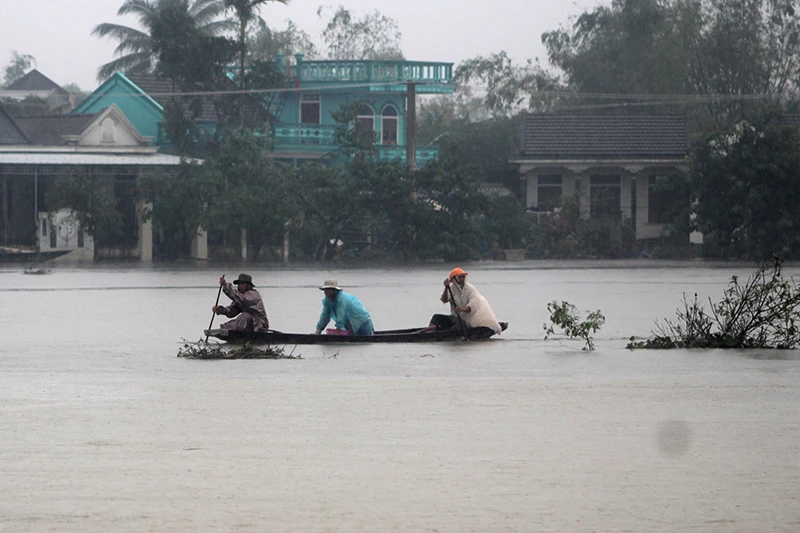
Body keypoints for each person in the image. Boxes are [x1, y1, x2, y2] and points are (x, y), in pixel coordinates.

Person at [422, 267, 502, 334]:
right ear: (454, 279)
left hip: (466, 321)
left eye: (463, 277)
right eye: (460, 277)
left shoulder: (471, 289)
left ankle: (446, 333)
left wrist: (462, 309)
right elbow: (444, 299)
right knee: (436, 317)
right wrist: (446, 288)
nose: (462, 279)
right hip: (455, 318)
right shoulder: (451, 289)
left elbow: (473, 305)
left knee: (459, 326)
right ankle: (430, 332)